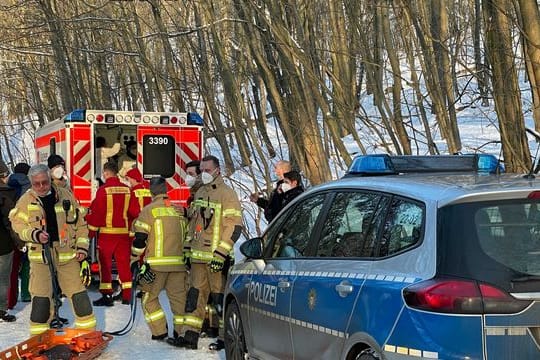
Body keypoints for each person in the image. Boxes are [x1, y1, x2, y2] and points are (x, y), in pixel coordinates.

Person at [9, 164, 96, 334]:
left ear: (50, 179)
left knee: (79, 296)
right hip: (41, 257)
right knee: (41, 301)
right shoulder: (25, 201)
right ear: (31, 184)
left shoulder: (65, 196)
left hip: (67, 255)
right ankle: (39, 338)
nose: (41, 187)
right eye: (37, 184)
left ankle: (88, 334)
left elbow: (81, 224)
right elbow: (17, 225)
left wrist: (82, 248)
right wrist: (34, 234)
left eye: (44, 182)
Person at [168, 155, 242, 350]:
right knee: (195, 296)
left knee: (219, 299)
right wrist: (187, 249)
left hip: (217, 258)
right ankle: (190, 335)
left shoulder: (227, 194)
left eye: (207, 170)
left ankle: (224, 338)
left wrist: (221, 254)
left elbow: (233, 227)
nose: (204, 174)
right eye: (202, 170)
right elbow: (195, 224)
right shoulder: (200, 192)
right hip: (198, 256)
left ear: (217, 170)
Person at [131, 176, 189, 341]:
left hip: (156, 266)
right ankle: (181, 333)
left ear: (151, 192)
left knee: (148, 298)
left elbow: (140, 239)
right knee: (179, 301)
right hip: (179, 265)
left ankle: (159, 331)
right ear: (166, 191)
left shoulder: (149, 210)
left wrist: (135, 259)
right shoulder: (178, 210)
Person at [86, 161, 132, 306]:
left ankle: (107, 296)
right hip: (124, 235)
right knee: (124, 265)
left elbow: (98, 214)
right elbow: (132, 213)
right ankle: (127, 296)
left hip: (107, 235)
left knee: (105, 266)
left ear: (106, 173)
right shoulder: (127, 190)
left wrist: (91, 233)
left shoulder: (103, 190)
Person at [7, 162, 31, 309]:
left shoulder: (8, 184)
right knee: (28, 263)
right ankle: (26, 294)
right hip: (26, 229)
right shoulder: (29, 187)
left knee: (12, 267)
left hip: (10, 230)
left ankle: (10, 298)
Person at [0, 164, 18, 322]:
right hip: (4, 244)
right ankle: (1, 310)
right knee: (4, 278)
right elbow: (10, 222)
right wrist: (18, 242)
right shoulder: (8, 195)